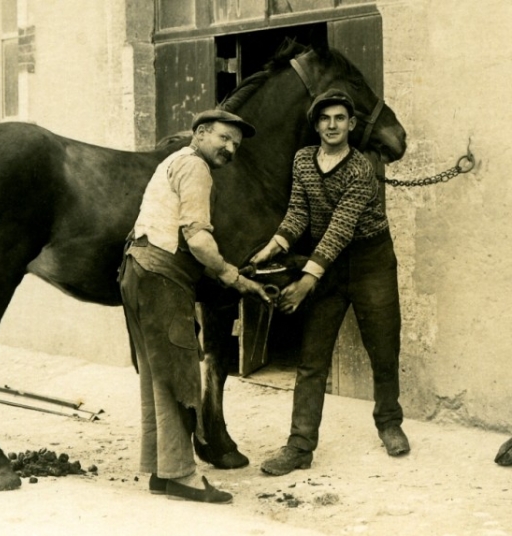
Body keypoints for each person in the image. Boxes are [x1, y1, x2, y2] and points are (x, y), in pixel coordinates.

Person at [252, 88, 410, 476]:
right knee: (312, 359)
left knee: (383, 348)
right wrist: (272, 246)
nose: (332, 125)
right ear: (316, 124)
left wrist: (306, 280)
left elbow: (340, 228)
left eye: (340, 118)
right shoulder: (303, 160)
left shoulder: (360, 167)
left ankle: (389, 422)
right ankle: (300, 445)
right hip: (328, 265)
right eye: (325, 118)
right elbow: (298, 213)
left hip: (371, 260)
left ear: (352, 124)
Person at [119, 109, 271, 503]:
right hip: (163, 277)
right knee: (180, 374)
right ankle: (183, 476)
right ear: (201, 133)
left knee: (155, 374)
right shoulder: (196, 168)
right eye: (223, 138)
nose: (230, 148)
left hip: (135, 270)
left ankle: (161, 471)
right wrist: (233, 276)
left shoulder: (172, 161)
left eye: (236, 144)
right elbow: (199, 240)